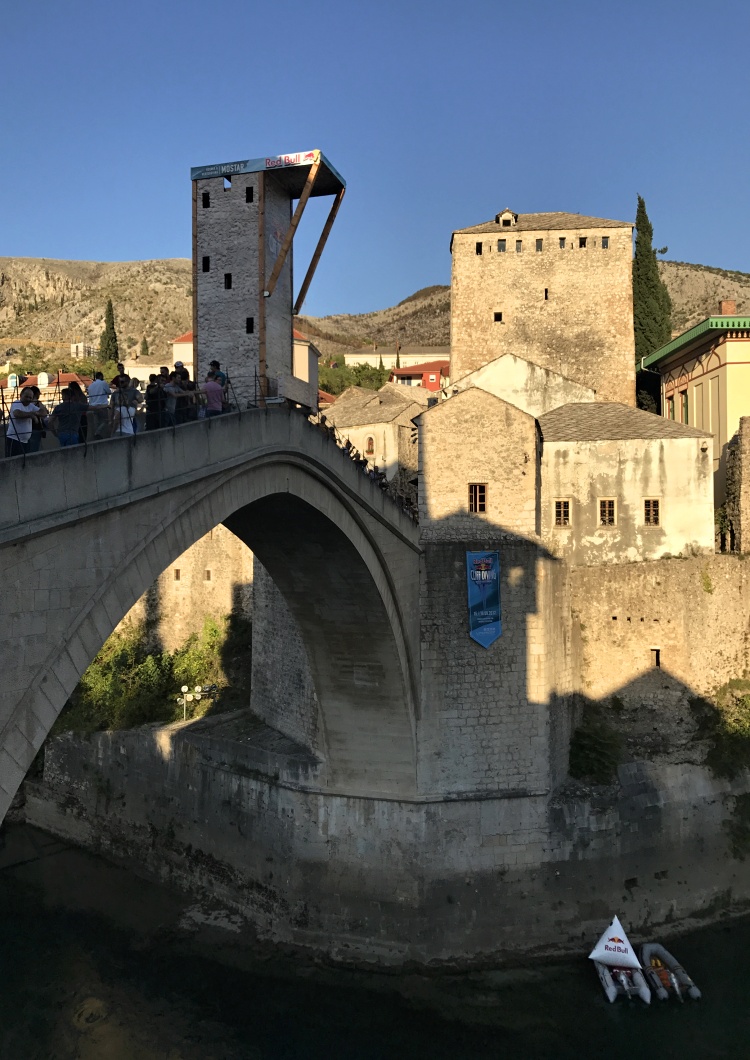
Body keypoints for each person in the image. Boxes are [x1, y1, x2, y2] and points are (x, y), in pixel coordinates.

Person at [4, 386, 40, 457]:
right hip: (14, 439)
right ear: (21, 395)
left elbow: (44, 412)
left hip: (25, 441)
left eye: (30, 398)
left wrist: (35, 413)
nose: (28, 399)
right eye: (26, 397)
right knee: (13, 461)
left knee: (24, 461)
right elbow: (17, 413)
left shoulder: (30, 406)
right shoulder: (17, 403)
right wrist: (31, 415)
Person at [86, 372, 111, 439]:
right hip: (102, 406)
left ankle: (97, 435)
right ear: (101, 376)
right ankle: (97, 433)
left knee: (96, 423)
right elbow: (109, 392)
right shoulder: (103, 383)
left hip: (93, 407)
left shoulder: (90, 386)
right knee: (105, 420)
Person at [26, 385, 49, 452]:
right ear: (36, 394)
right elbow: (45, 412)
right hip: (35, 427)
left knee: (27, 448)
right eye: (39, 394)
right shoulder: (37, 403)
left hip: (26, 428)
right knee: (35, 448)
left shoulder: (26, 402)